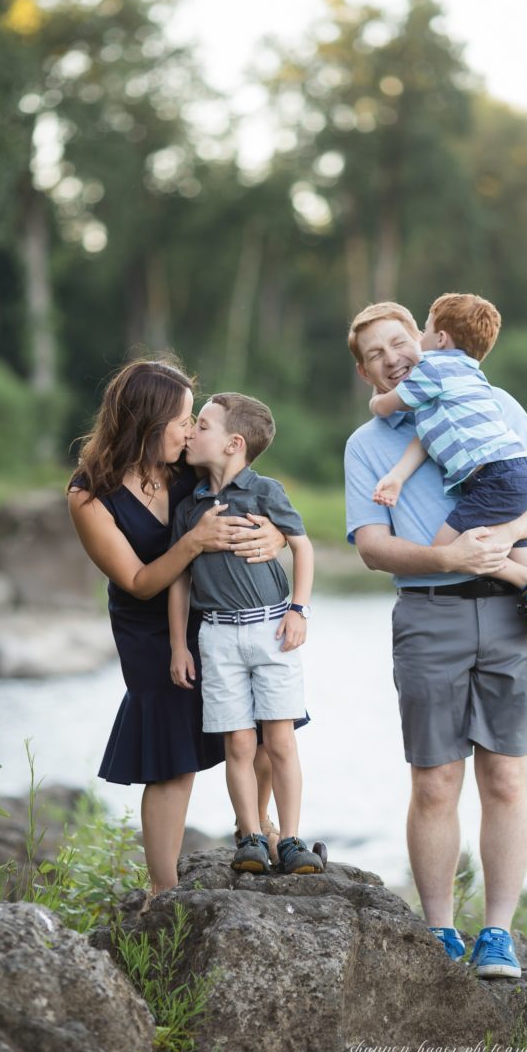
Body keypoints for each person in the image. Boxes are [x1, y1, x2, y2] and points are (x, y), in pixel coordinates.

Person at [344, 301, 527, 979]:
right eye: (377, 353)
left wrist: (506, 537)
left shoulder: (489, 394)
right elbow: (370, 549)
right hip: (428, 616)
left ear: (423, 338)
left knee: (506, 775)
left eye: (400, 341)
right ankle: (440, 931)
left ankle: (497, 934)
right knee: (435, 781)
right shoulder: (367, 443)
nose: (393, 356)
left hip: (513, 611)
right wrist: (447, 559)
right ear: (366, 371)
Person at [67, 359, 287, 896]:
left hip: (218, 610)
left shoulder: (189, 468)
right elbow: (139, 582)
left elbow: (263, 503)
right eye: (183, 419)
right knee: (170, 758)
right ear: (148, 420)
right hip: (148, 629)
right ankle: (163, 891)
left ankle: (256, 832)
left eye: (195, 420)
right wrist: (193, 541)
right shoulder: (89, 494)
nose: (191, 431)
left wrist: (276, 538)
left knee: (260, 728)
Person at [368, 292, 527, 714]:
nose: (416, 342)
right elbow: (428, 433)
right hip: (516, 476)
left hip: (493, 482)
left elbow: (389, 405)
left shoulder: (434, 369)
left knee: (447, 549)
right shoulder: (472, 377)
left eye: (418, 332)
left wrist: (375, 401)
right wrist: (399, 476)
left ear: (440, 338)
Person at [168, 392, 324, 875]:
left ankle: (292, 838)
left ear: (234, 443)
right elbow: (180, 579)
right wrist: (179, 645)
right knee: (237, 745)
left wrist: (298, 609)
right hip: (216, 636)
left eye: (204, 426)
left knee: (279, 741)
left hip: (271, 631)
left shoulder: (266, 491)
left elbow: (303, 547)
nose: (192, 432)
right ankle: (251, 835)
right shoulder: (190, 505)